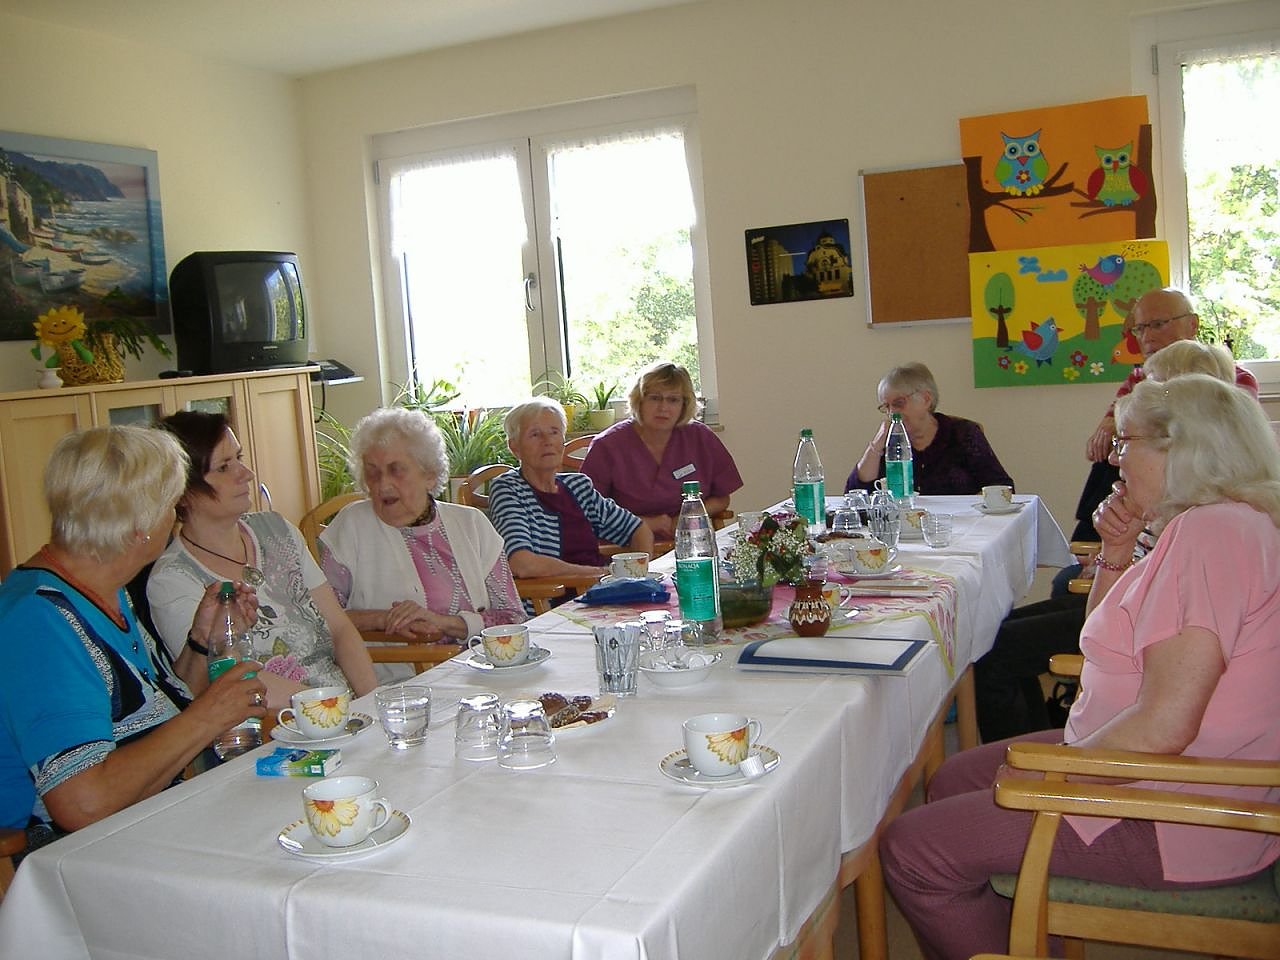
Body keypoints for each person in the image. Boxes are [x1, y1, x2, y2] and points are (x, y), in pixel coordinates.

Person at [882, 374, 1280, 960]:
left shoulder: (1213, 534)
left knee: (912, 850)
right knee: (953, 780)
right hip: (1160, 772)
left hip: (1180, 814)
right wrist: (1116, 554)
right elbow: (1102, 641)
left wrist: (1055, 780)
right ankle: (1021, 939)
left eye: (1126, 443)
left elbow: (1166, 726)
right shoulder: (1207, 523)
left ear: (1179, 448)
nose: (1115, 459)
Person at [0, 426, 265, 838]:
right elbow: (82, 804)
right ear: (139, 525)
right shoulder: (39, 621)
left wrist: (201, 643)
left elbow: (155, 716)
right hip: (80, 851)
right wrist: (209, 716)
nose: (175, 518)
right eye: (170, 505)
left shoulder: (100, 587)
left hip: (153, 817)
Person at [973, 340, 1240, 742]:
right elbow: (1109, 617)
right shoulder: (1175, 496)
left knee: (998, 649)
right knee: (997, 634)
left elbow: (1167, 709)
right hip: (1122, 613)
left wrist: (1114, 557)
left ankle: (1030, 744)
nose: (1115, 457)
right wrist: (1113, 550)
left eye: (1151, 386)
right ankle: (1037, 736)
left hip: (1133, 655)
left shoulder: (1208, 526)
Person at [147, 412, 376, 709]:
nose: (246, 473)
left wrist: (372, 703)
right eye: (224, 467)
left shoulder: (277, 530)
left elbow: (340, 628)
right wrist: (331, 711)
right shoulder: (172, 579)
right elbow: (227, 679)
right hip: (276, 723)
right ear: (183, 491)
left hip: (343, 708)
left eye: (239, 458)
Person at [318, 407, 524, 642]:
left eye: (396, 471)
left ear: (430, 475)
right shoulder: (352, 525)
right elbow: (318, 617)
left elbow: (513, 617)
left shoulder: (472, 524)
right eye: (373, 473)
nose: (383, 485)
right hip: (396, 665)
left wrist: (446, 623)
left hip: (477, 660)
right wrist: (382, 619)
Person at [1071, 286, 1258, 541]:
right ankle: (1094, 537)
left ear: (1192, 324)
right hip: (1156, 495)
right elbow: (1116, 417)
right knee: (1112, 457)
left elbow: (1213, 447)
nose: (1147, 336)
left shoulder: (1233, 380)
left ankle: (1093, 541)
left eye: (1157, 325)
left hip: (1201, 485)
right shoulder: (1140, 377)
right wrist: (1110, 424)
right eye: (1140, 328)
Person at [488, 398, 654, 581]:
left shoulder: (578, 486)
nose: (547, 441)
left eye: (554, 432)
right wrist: (599, 573)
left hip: (601, 587)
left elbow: (638, 529)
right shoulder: (508, 489)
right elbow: (522, 563)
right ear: (514, 447)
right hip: (556, 596)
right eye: (535, 434)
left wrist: (639, 576)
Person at [580, 361, 742, 541]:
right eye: (655, 398)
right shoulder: (607, 445)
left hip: (691, 540)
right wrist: (645, 524)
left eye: (673, 400)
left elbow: (722, 498)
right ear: (639, 400)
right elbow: (587, 512)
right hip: (626, 546)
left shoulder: (700, 437)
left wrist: (687, 516)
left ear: (684, 404)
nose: (663, 408)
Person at [846, 361, 1013, 495]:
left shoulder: (963, 433)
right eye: (886, 406)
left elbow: (1001, 486)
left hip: (961, 524)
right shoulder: (891, 441)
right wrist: (876, 445)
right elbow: (855, 494)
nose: (892, 413)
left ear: (926, 399)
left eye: (898, 403)